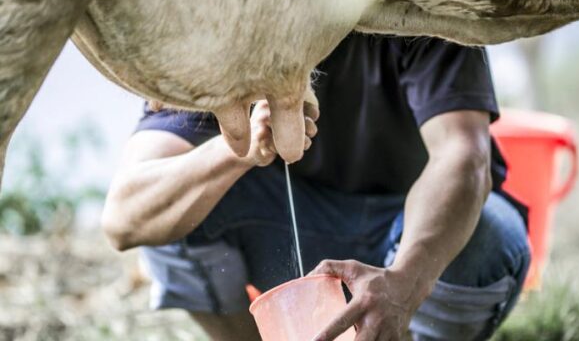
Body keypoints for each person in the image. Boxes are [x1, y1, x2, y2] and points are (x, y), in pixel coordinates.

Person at [102, 34, 530, 341]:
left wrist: (404, 283)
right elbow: (125, 217)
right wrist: (239, 150)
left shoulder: (423, 2)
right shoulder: (221, 36)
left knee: (488, 234)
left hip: (414, 236)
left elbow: (464, 157)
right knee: (171, 212)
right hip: (299, 237)